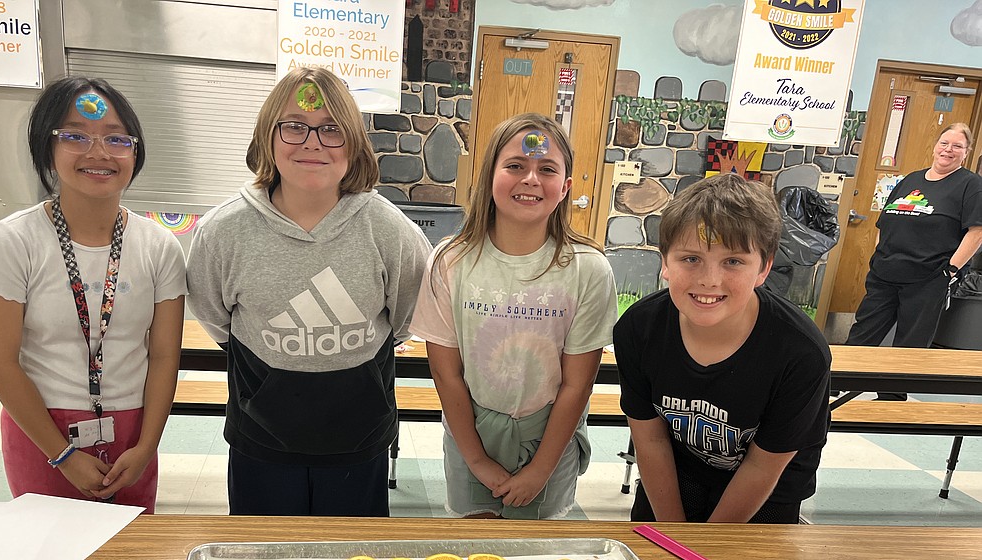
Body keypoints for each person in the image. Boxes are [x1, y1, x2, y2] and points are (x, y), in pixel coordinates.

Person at [187, 67, 430, 516]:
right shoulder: (222, 232)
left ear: (354, 142)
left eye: (331, 129)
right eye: (294, 126)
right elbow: (216, 319)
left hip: (359, 441)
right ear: (268, 136)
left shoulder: (391, 232)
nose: (312, 142)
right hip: (260, 441)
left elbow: (406, 320)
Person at [0, 77, 186, 513]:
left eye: (116, 138)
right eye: (75, 135)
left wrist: (147, 446)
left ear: (135, 151)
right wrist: (63, 455)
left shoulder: (159, 246)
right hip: (42, 429)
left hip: (133, 431)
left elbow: (164, 356)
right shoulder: (13, 240)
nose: (99, 152)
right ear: (46, 148)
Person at [410, 113, 616, 519]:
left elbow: (578, 382)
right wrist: (478, 459)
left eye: (547, 169)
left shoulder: (588, 269)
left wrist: (541, 469)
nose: (531, 179)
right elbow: (446, 373)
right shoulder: (450, 261)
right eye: (516, 166)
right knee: (470, 553)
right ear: (490, 176)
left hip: (551, 435)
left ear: (566, 188)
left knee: (540, 557)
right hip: (472, 429)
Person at [612, 174, 830, 524]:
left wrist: (707, 547)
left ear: (764, 267)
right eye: (691, 259)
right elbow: (650, 440)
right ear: (665, 262)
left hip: (769, 488)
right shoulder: (638, 329)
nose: (710, 280)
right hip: (679, 471)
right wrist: (675, 533)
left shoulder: (800, 353)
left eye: (733, 261)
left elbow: (762, 465)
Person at [845, 123, 982, 400]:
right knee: (862, 333)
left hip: (928, 278)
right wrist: (879, 254)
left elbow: (976, 232)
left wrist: (950, 271)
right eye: (945, 143)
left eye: (957, 146)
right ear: (935, 146)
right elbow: (885, 221)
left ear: (965, 153)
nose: (948, 150)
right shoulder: (910, 180)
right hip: (885, 272)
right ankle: (839, 383)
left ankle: (891, 399)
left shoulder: (970, 185)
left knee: (910, 343)